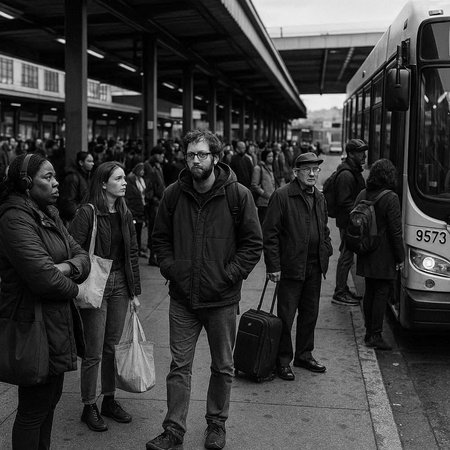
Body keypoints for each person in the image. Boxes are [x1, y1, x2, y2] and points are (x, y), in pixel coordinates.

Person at [146, 129, 262, 450]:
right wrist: (173, 269)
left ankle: (216, 425)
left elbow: (253, 244)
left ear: (216, 158)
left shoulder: (238, 196)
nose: (195, 161)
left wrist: (230, 275)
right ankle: (173, 430)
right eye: (190, 155)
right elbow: (159, 239)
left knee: (223, 366)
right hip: (183, 298)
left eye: (202, 155)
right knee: (178, 367)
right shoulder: (173, 194)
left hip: (222, 299)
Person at [0, 153, 90, 449]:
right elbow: (41, 278)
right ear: (26, 183)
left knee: (49, 402)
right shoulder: (13, 218)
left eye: (54, 177)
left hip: (55, 323)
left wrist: (64, 267)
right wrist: (78, 290)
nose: (56, 184)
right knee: (33, 409)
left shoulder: (48, 212)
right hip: (32, 324)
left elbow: (82, 257)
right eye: (47, 177)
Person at [69, 161, 141, 433]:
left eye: (124, 178)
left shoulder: (124, 211)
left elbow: (131, 253)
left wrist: (135, 293)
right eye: (119, 178)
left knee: (112, 347)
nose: (124, 182)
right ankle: (89, 405)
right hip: (96, 282)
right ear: (103, 183)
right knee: (93, 351)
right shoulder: (87, 213)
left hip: (121, 283)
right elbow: (74, 249)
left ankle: (109, 399)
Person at [263, 152, 333, 381]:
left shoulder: (319, 197)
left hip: (314, 265)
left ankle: (304, 354)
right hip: (291, 267)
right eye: (307, 170)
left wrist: (326, 248)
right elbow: (270, 234)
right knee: (286, 316)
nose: (312, 174)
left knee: (310, 314)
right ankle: (283, 360)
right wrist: (273, 266)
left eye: (316, 170)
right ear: (296, 172)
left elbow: (324, 227)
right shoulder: (283, 196)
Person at [355, 159, 405, 350]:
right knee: (381, 294)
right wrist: (400, 258)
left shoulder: (363, 193)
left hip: (366, 250)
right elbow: (395, 232)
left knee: (370, 292)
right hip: (384, 255)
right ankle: (375, 335)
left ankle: (370, 332)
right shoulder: (390, 197)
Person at [332, 138, 367, 306]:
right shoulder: (346, 174)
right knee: (346, 257)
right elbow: (344, 202)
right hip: (348, 223)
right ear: (351, 154)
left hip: (349, 221)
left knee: (346, 256)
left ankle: (342, 288)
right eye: (361, 153)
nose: (364, 156)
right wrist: (359, 216)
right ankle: (339, 293)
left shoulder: (352, 170)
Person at [144, 145, 166, 266]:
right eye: (161, 154)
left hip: (158, 201)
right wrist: (152, 198)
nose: (163, 157)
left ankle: (154, 255)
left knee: (157, 228)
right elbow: (148, 185)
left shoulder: (157, 166)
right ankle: (153, 256)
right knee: (154, 229)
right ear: (155, 154)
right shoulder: (149, 166)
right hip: (154, 203)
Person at [58, 151, 94, 224]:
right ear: (81, 162)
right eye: (89, 161)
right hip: (74, 218)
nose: (92, 163)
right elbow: (69, 201)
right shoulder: (73, 177)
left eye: (92, 161)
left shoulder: (86, 176)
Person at [126, 162, 147, 257]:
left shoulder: (141, 180)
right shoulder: (131, 180)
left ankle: (137, 249)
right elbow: (132, 195)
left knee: (138, 230)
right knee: (135, 230)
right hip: (135, 207)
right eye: (141, 170)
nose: (143, 172)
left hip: (141, 206)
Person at [251, 149, 278, 224]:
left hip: (271, 201)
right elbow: (254, 185)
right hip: (263, 201)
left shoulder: (271, 168)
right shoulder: (258, 168)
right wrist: (264, 194)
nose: (271, 158)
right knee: (263, 222)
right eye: (269, 156)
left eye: (272, 156)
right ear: (264, 157)